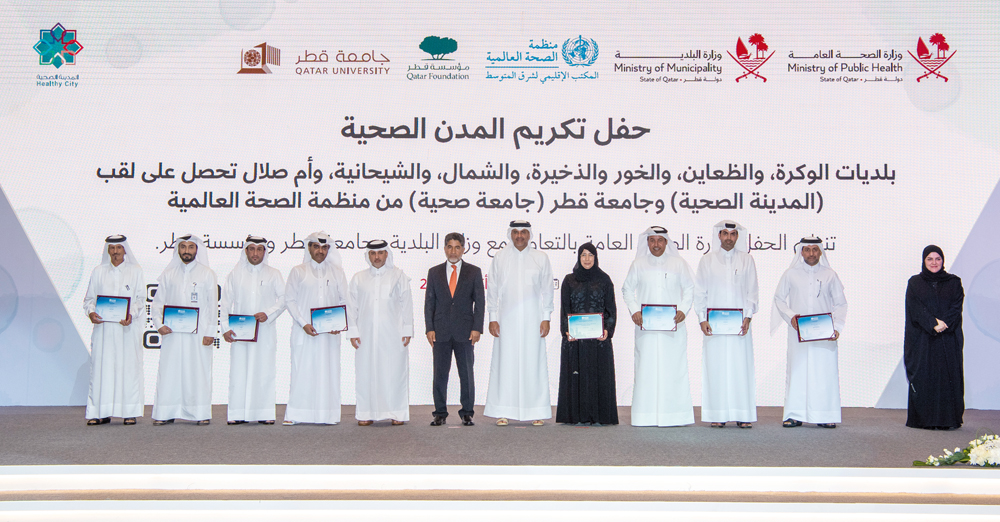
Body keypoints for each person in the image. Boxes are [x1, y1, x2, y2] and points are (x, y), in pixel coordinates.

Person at [622, 226, 696, 427]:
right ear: (647, 242)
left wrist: (683, 309)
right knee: (646, 370)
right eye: (652, 240)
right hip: (646, 328)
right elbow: (627, 289)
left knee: (673, 370)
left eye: (660, 240)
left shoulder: (678, 264)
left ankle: (675, 416)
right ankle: (645, 416)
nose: (656, 244)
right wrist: (634, 310)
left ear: (666, 242)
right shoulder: (638, 264)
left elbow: (690, 289)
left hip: (673, 327)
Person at [772, 236, 848, 428]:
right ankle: (794, 414)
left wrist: (837, 327)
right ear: (801, 252)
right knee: (797, 371)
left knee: (823, 372)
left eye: (815, 249)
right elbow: (779, 299)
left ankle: (824, 415)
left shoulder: (830, 274)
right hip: (798, 332)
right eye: (807, 249)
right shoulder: (791, 274)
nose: (811, 253)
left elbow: (840, 303)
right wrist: (791, 317)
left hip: (825, 333)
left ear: (821, 251)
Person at [484, 220, 555, 426]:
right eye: (515, 232)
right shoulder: (500, 257)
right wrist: (493, 318)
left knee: (534, 363)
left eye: (523, 232)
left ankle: (536, 411)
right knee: (505, 363)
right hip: (506, 321)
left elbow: (547, 291)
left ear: (529, 234)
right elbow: (493, 291)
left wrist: (546, 318)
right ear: (510, 234)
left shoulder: (540, 258)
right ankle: (503, 410)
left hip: (534, 320)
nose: (519, 236)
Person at [693, 221, 759, 429]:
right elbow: (700, 292)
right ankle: (718, 413)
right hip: (715, 326)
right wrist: (702, 318)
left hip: (740, 326)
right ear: (718, 236)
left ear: (737, 237)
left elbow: (752, 291)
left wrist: (748, 316)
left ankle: (743, 414)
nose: (729, 238)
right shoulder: (707, 260)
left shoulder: (747, 260)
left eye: (733, 234)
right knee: (716, 367)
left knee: (741, 368)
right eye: (725, 234)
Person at [151, 234, 218, 426]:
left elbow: (213, 305)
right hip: (172, 332)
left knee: (198, 371)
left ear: (197, 250)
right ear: (178, 250)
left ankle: (199, 413)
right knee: (169, 370)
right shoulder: (168, 274)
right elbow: (158, 303)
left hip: (199, 333)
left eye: (190, 247)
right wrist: (158, 324)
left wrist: (210, 332)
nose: (187, 251)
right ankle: (166, 412)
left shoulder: (207, 273)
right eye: (183, 247)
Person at [283, 231, 349, 426]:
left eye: (324, 247)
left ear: (328, 249)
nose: (320, 251)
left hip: (329, 334)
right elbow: (289, 300)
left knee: (328, 372)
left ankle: (327, 416)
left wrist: (340, 323)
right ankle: (297, 415)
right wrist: (303, 322)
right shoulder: (298, 271)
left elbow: (345, 300)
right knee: (302, 371)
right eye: (316, 247)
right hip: (304, 332)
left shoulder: (337, 272)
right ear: (309, 248)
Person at [220, 236, 286, 425]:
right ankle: (236, 413)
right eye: (251, 249)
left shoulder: (274, 273)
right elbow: (225, 303)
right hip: (239, 332)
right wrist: (225, 327)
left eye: (259, 249)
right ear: (246, 251)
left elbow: (283, 299)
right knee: (239, 371)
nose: (255, 253)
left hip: (264, 330)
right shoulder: (235, 274)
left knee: (264, 370)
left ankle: (263, 412)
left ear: (264, 252)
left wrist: (268, 313)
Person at [349, 240, 414, 426]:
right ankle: (366, 412)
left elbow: (406, 304)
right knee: (366, 372)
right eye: (373, 253)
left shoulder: (398, 276)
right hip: (365, 335)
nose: (376, 257)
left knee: (394, 372)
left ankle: (397, 412)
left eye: (380, 253)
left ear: (387, 254)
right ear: (368, 255)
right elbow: (351, 307)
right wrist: (353, 331)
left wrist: (407, 329)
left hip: (393, 334)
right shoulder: (358, 278)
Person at [82, 235, 146, 426]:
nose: (116, 252)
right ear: (108, 251)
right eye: (112, 249)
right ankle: (100, 412)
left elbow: (140, 300)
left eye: (119, 248)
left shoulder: (135, 271)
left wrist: (131, 315)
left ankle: (129, 412)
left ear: (125, 250)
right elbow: (89, 300)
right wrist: (91, 313)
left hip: (126, 329)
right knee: (103, 370)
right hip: (104, 331)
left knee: (128, 369)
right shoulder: (98, 271)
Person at [425, 232, 485, 427]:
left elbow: (480, 303)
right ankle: (440, 413)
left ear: (463, 249)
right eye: (449, 247)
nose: (453, 251)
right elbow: (429, 303)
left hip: (465, 331)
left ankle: (467, 413)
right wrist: (429, 328)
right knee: (440, 375)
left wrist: (477, 328)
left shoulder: (474, 272)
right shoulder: (434, 272)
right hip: (440, 331)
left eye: (457, 247)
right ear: (444, 249)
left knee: (466, 374)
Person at [556, 242, 618, 426]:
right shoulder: (569, 280)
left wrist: (607, 329)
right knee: (577, 373)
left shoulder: (605, 280)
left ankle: (599, 416)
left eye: (590, 255)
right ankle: (576, 416)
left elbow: (611, 309)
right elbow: (564, 309)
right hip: (576, 340)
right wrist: (566, 330)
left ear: (596, 257)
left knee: (598, 374)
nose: (587, 259)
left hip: (599, 340)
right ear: (578, 257)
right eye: (583, 255)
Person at [904, 245, 965, 430]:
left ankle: (948, 420)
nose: (934, 262)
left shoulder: (954, 282)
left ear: (943, 260)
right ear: (924, 261)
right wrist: (932, 323)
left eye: (937, 259)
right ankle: (924, 420)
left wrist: (944, 322)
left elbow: (956, 305)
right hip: (924, 340)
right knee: (925, 377)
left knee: (948, 377)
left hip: (948, 339)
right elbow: (915, 308)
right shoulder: (915, 283)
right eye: (929, 259)